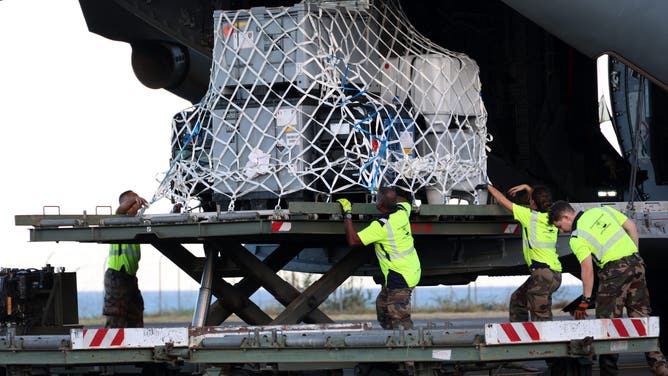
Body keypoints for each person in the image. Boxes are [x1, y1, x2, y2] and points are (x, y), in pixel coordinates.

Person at [548, 201, 668, 376]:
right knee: (642, 317)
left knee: (607, 324)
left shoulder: (577, 236)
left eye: (560, 226)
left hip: (613, 274)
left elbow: (587, 269)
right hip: (636, 265)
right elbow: (631, 226)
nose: (561, 231)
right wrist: (634, 254)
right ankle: (659, 364)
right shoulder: (602, 210)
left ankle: (609, 372)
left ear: (566, 217)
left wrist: (585, 300)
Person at [337, 187, 421, 330]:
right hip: (410, 269)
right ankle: (392, 340)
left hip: (400, 276)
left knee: (400, 319)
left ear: (379, 204)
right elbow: (404, 200)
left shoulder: (381, 225)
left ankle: (407, 346)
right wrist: (389, 193)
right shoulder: (402, 211)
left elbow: (353, 240)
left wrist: (348, 214)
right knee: (382, 307)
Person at [486, 183, 562, 322]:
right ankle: (521, 335)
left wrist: (487, 186)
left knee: (541, 317)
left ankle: (545, 342)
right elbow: (541, 199)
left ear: (533, 202)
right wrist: (528, 188)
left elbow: (503, 201)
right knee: (518, 301)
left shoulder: (529, 217)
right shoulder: (553, 215)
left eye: (530, 199)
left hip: (542, 274)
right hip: (554, 275)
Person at [103, 190, 147, 328]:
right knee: (116, 315)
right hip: (117, 274)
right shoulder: (118, 220)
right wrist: (134, 200)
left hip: (129, 276)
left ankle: (135, 343)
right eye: (133, 201)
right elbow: (120, 210)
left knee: (135, 311)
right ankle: (110, 346)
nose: (137, 204)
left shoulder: (136, 221)